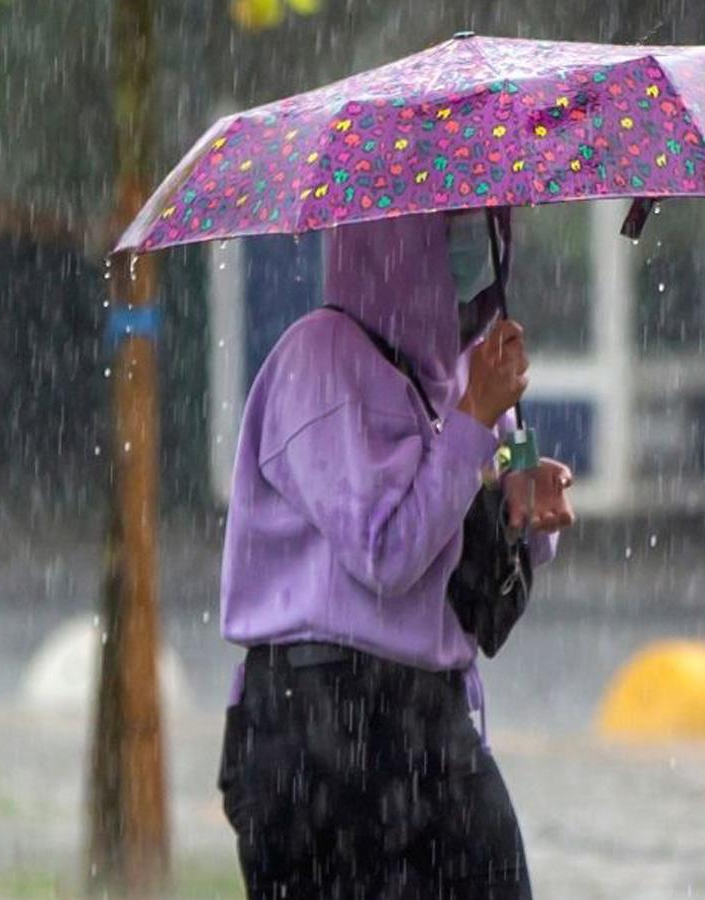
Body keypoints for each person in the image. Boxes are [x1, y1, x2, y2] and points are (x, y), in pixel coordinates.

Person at [216, 208, 575, 899]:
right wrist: (471, 423)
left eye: (488, 226)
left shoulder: (469, 370)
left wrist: (526, 497)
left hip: (430, 717)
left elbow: (479, 507)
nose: (478, 248)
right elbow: (386, 553)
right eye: (456, 228)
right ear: (399, 242)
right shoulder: (318, 361)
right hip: (318, 725)